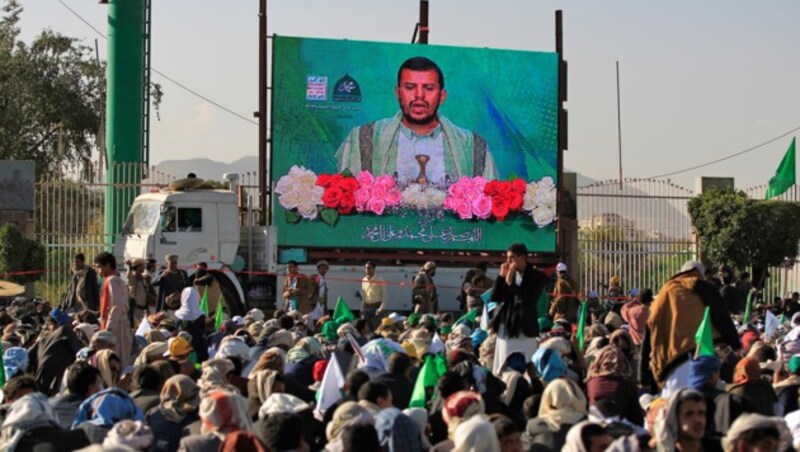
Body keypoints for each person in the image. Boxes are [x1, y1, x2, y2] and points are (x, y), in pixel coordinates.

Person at [335, 56, 497, 182]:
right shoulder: (363, 138)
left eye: (429, 88)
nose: (419, 95)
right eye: (410, 87)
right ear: (398, 93)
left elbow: (491, 212)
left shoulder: (472, 145)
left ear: (442, 96)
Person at [641, 261, 740, 396]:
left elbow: (649, 330)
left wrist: (643, 374)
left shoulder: (664, 292)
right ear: (699, 273)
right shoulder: (698, 285)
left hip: (669, 363)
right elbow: (720, 312)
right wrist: (734, 342)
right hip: (696, 357)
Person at [490, 243, 550, 375]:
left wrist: (511, 284)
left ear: (522, 258)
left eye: (511, 258)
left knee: (528, 366)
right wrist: (501, 277)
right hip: (507, 326)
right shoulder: (507, 275)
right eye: (507, 258)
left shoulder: (536, 276)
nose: (508, 262)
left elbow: (529, 300)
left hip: (526, 327)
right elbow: (495, 297)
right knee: (505, 366)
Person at [28, 308, 82, 396]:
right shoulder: (65, 331)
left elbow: (27, 357)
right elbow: (80, 354)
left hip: (40, 388)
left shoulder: (42, 340)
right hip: (55, 388)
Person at [95, 251, 133, 369]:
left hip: (116, 326)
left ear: (107, 265)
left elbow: (118, 305)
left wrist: (109, 329)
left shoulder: (111, 280)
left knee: (115, 359)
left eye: (99, 267)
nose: (98, 271)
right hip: (119, 323)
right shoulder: (118, 280)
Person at [654, 388, 721, 452]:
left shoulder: (722, 448)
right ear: (675, 419)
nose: (698, 420)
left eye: (701, 413)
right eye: (689, 414)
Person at [49, 361, 102, 429]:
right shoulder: (94, 414)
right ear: (91, 389)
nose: (101, 389)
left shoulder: (47, 405)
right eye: (99, 384)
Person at [361, 261, 388, 331]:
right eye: (366, 268)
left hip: (377, 307)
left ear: (374, 269)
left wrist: (381, 308)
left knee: (377, 328)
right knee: (367, 328)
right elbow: (364, 295)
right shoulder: (364, 280)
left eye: (369, 268)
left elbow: (384, 294)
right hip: (367, 307)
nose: (367, 270)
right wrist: (362, 308)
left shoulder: (380, 279)